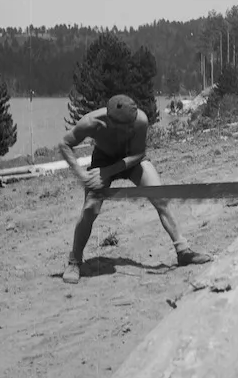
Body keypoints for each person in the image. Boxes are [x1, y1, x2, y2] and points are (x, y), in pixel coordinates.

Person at [58, 94, 212, 284]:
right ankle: (74, 261)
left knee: (160, 198)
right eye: (126, 127)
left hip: (131, 159)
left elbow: (139, 153)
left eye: (132, 124)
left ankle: (183, 251)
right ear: (111, 122)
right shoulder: (91, 122)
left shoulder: (139, 120)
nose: (132, 128)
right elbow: (64, 143)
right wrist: (83, 176)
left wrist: (110, 171)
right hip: (103, 160)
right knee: (90, 208)